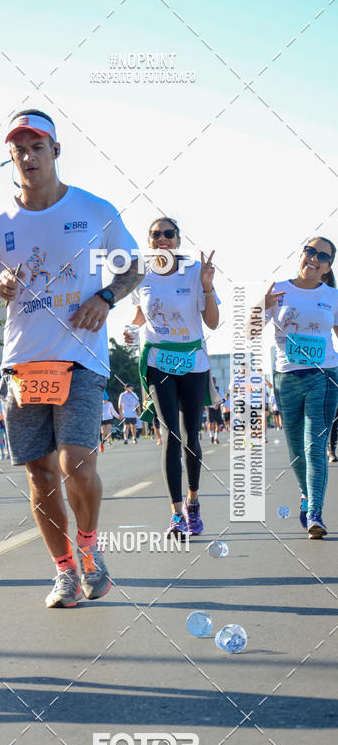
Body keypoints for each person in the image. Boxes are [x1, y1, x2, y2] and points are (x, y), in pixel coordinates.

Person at [0, 108, 141, 608]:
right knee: (40, 475)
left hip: (80, 359)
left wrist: (105, 297)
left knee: (75, 465)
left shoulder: (94, 210)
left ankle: (88, 548)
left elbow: (135, 267)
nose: (28, 157)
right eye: (19, 150)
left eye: (37, 147)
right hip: (23, 364)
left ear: (55, 151)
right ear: (11, 158)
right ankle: (65, 572)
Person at [125, 216, 220, 537]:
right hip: (158, 362)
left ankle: (193, 502)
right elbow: (141, 314)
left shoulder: (195, 271)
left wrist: (207, 287)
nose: (162, 239)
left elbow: (213, 322)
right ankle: (176, 514)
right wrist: (130, 329)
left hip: (192, 362)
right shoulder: (140, 274)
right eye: (155, 235)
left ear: (178, 239)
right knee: (170, 435)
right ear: (149, 241)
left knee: (191, 437)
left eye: (168, 233)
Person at [260, 237, 338, 538]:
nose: (314, 258)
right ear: (301, 255)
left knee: (314, 446)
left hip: (324, 376)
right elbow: (250, 330)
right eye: (310, 251)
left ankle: (316, 512)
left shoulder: (332, 296)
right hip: (287, 378)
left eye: (322, 256)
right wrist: (262, 306)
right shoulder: (279, 289)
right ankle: (306, 495)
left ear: (328, 267)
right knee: (296, 451)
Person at [207, 378, 222, 443]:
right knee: (211, 422)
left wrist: (218, 405)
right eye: (212, 382)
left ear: (215, 382)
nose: (213, 383)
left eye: (214, 382)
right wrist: (206, 405)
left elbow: (222, 398)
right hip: (210, 408)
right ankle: (211, 435)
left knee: (218, 423)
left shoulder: (219, 389)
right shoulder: (207, 389)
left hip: (217, 408)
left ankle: (216, 437)